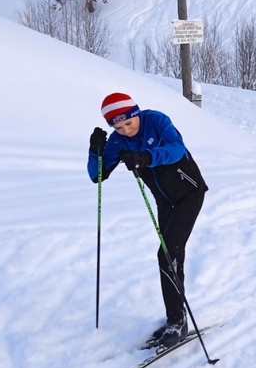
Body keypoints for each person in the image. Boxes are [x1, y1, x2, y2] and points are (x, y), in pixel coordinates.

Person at [87, 92, 208, 349]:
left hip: (189, 194)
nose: (126, 130)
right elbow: (97, 175)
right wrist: (95, 152)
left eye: (128, 123)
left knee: (168, 254)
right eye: (118, 128)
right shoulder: (118, 141)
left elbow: (176, 149)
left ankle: (177, 321)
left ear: (136, 113)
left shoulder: (156, 121)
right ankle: (175, 318)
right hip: (165, 202)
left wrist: (146, 157)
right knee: (169, 256)